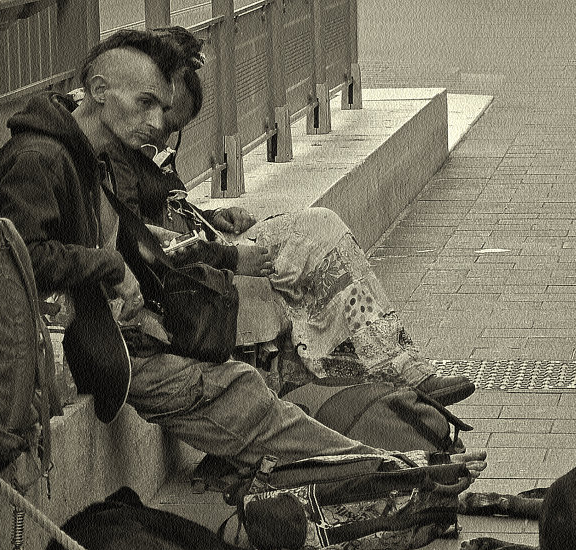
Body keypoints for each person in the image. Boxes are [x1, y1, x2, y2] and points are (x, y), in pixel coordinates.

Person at [0, 30, 486, 477]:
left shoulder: (88, 158)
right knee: (241, 385)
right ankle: (384, 465)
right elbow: (24, 258)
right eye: (149, 104)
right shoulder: (39, 160)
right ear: (99, 93)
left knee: (245, 379)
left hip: (125, 329)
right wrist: (137, 264)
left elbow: (141, 240)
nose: (157, 123)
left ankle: (382, 455)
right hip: (79, 347)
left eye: (164, 111)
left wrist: (203, 231)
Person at [102, 25, 476, 407]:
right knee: (309, 248)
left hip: (205, 242)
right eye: (160, 114)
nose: (161, 132)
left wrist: (214, 214)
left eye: (172, 123)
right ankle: (387, 374)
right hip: (186, 272)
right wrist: (232, 257)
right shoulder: (113, 152)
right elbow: (139, 238)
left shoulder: (141, 142)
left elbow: (168, 206)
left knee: (321, 226)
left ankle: (398, 365)